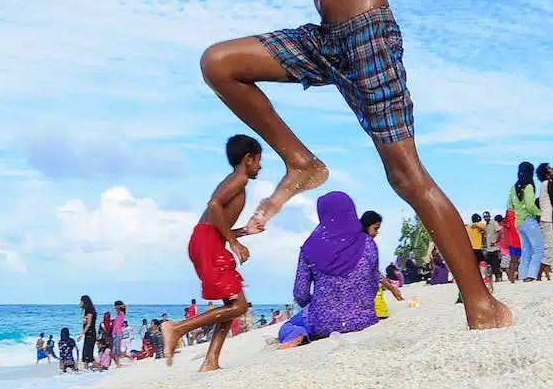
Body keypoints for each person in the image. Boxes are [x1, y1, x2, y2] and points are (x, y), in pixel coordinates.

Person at [132, 0, 511, 330]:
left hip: (366, 39)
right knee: (220, 62)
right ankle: (300, 162)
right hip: (326, 40)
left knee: (405, 175)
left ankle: (481, 303)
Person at [160, 134, 260, 371]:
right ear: (247, 159)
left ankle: (211, 360)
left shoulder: (234, 180)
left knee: (231, 304)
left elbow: (216, 225)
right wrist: (234, 245)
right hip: (208, 242)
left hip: (205, 240)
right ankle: (177, 328)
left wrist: (245, 231)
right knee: (239, 306)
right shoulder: (240, 179)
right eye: (258, 160)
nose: (260, 166)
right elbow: (213, 205)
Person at [280, 192, 394, 348]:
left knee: (287, 327)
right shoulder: (369, 244)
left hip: (322, 322)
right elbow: (373, 284)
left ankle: (298, 334)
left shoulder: (310, 247)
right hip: (364, 319)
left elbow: (300, 293)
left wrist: (320, 304)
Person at [361, 209, 404, 319]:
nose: (376, 233)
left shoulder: (357, 241)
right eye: (375, 229)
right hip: (367, 290)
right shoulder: (367, 243)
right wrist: (392, 289)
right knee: (382, 313)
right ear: (366, 226)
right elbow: (375, 272)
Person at [507, 162, 543, 282]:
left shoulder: (513, 187)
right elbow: (530, 205)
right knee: (538, 249)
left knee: (526, 251)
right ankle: (531, 275)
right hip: (529, 220)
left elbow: (510, 206)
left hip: (518, 222)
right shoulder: (528, 186)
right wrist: (539, 213)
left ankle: (523, 276)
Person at [536, 163, 553, 281]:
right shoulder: (548, 184)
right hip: (548, 219)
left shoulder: (545, 184)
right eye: (550, 168)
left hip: (548, 219)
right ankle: (538, 273)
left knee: (550, 247)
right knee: (551, 247)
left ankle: (543, 272)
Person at [499, 211, 521, 283]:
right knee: (516, 262)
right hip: (517, 243)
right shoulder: (510, 223)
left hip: (514, 243)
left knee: (513, 261)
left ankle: (512, 278)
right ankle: (513, 277)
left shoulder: (506, 224)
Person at [482, 210, 502, 282]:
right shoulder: (485, 225)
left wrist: (496, 241)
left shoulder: (494, 222)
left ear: (489, 216)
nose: (486, 218)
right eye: (484, 217)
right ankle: (494, 278)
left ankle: (498, 277)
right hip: (488, 248)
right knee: (490, 265)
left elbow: (500, 232)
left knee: (495, 264)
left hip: (494, 248)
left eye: (487, 216)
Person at [78, 295, 97, 368]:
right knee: (85, 354)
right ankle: (86, 370)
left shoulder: (90, 310)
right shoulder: (87, 310)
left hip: (90, 334)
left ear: (85, 302)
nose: (80, 303)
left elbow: (88, 324)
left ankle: (100, 368)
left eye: (81, 301)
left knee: (89, 355)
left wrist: (82, 334)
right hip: (89, 334)